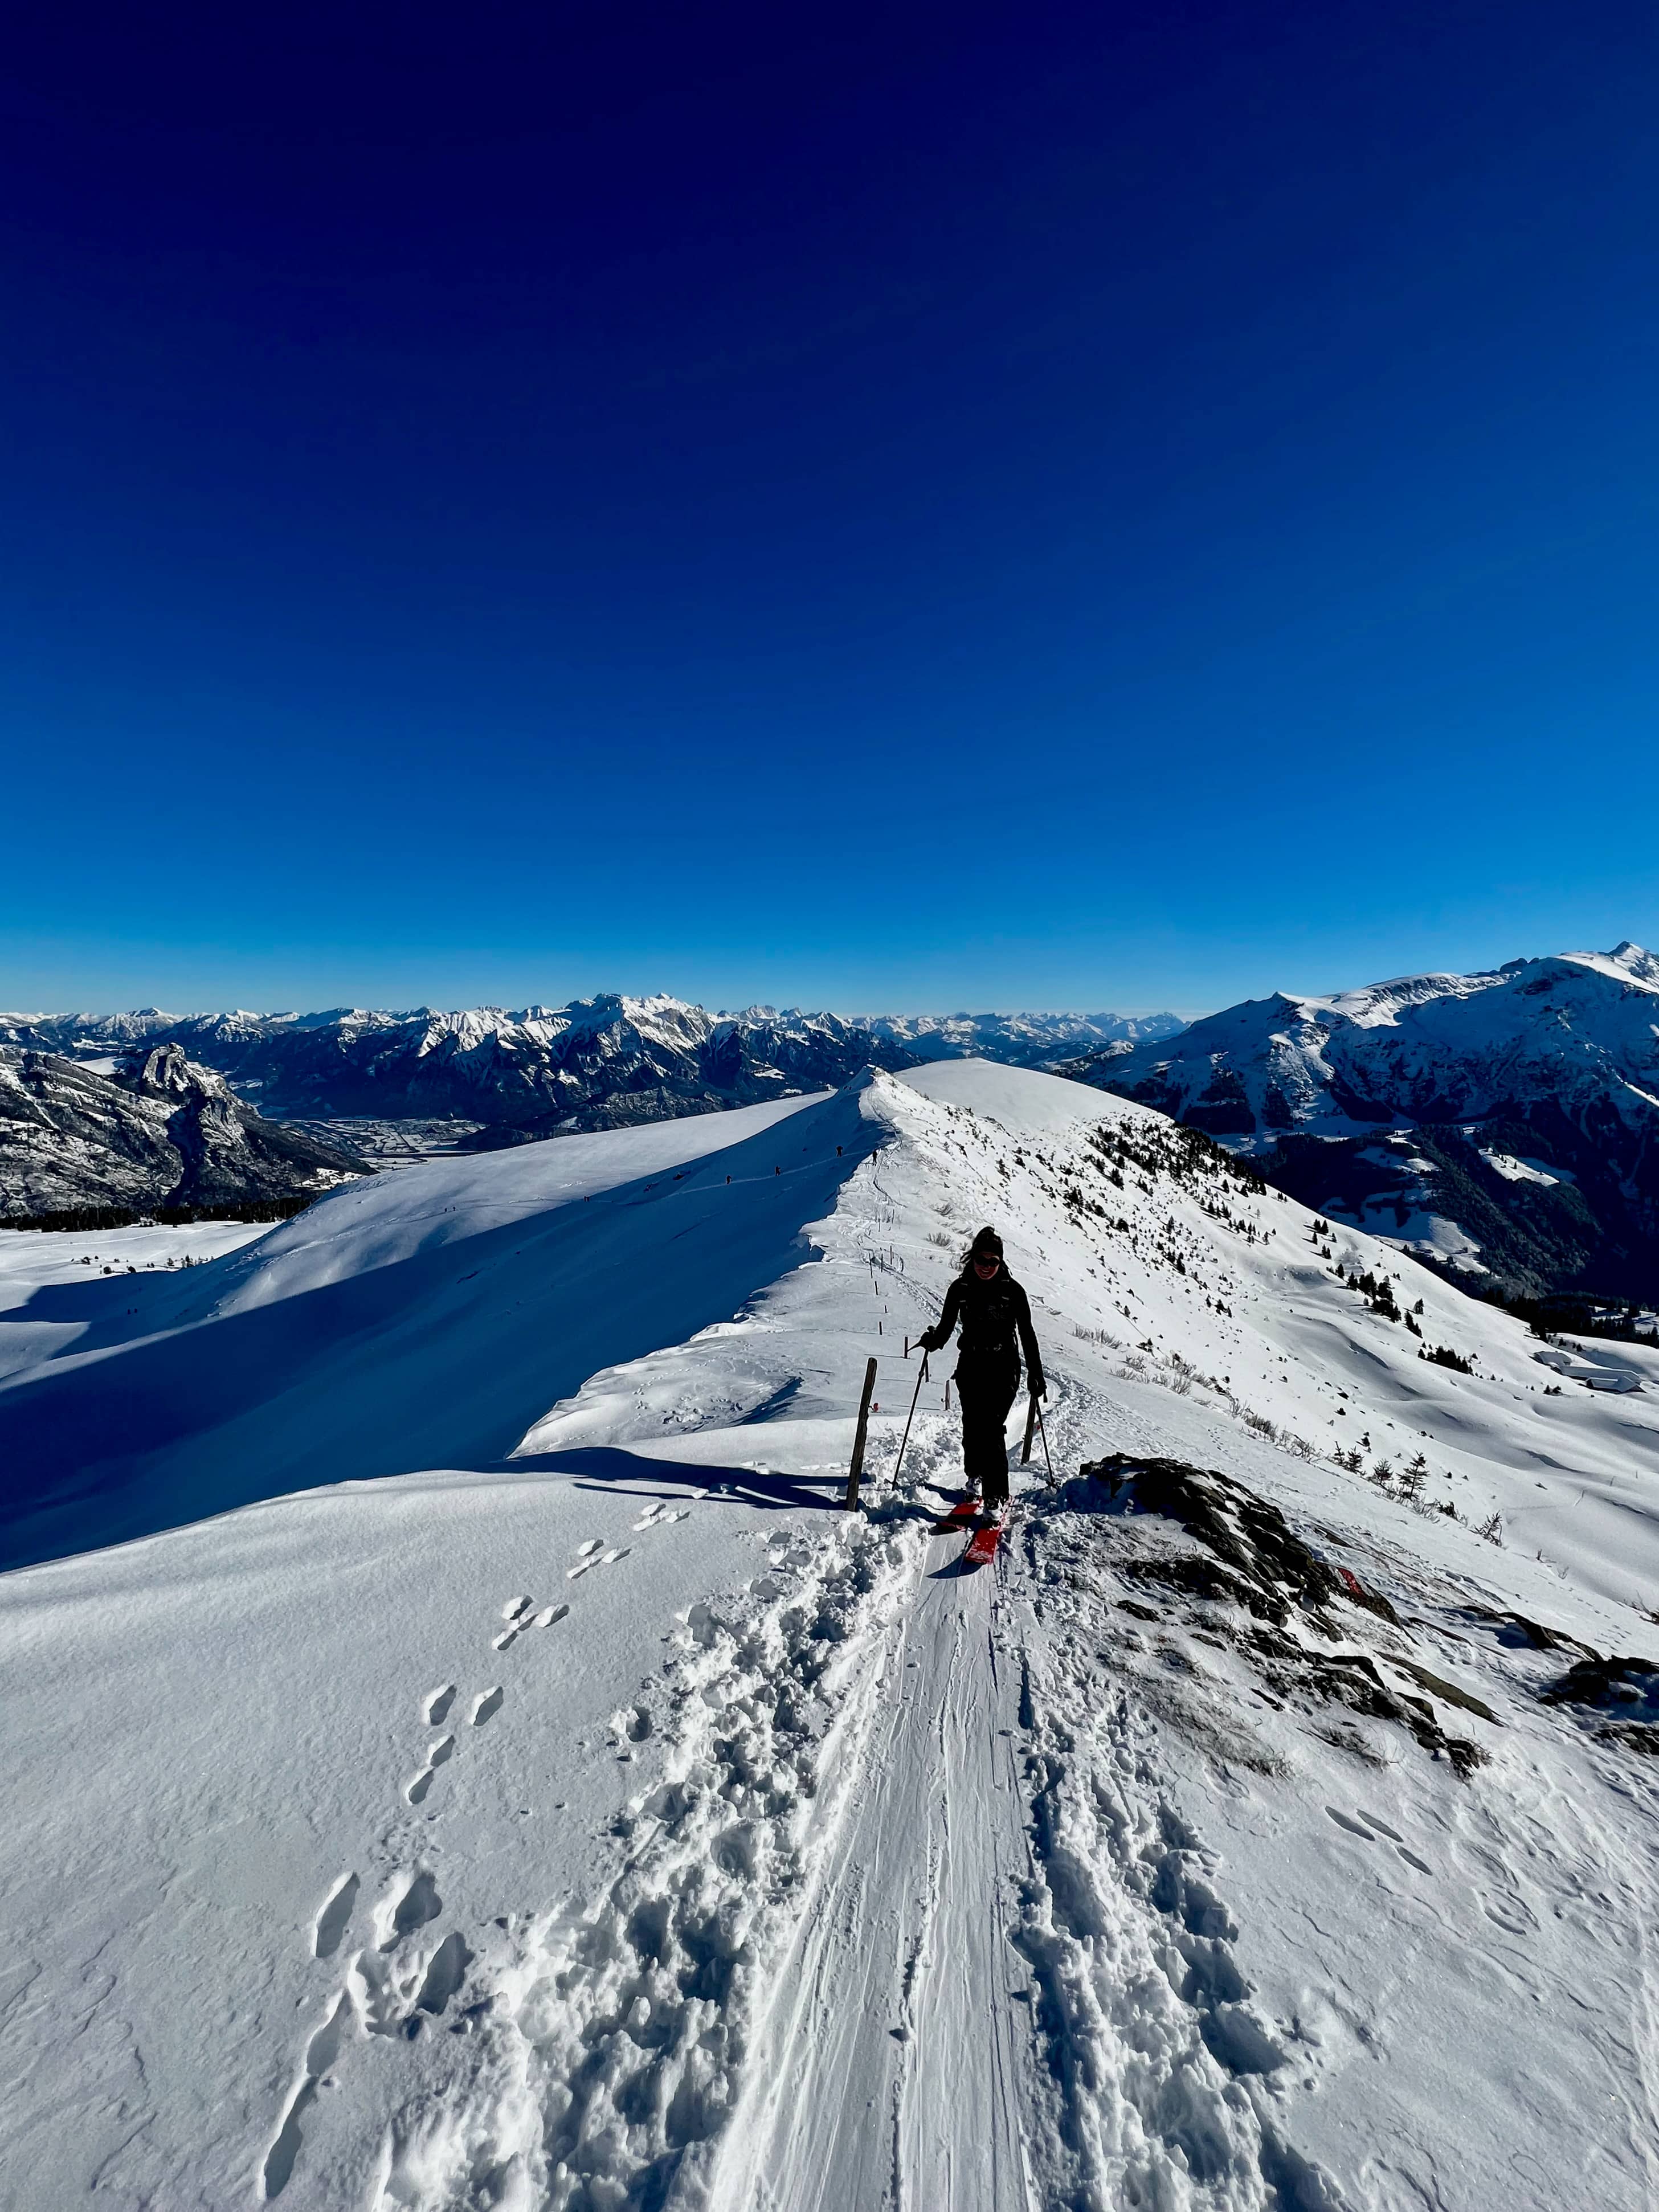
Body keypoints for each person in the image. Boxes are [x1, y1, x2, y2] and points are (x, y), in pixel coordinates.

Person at [916, 1226, 1044, 1519]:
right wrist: (931, 1341)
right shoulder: (959, 1290)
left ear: (1001, 1262)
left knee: (990, 1428)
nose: (986, 1267)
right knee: (973, 1427)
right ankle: (975, 1475)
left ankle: (996, 1497)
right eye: (981, 1260)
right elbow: (946, 1329)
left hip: (1004, 1367)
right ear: (971, 1259)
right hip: (971, 1366)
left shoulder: (1013, 1292)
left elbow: (1027, 1333)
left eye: (992, 1261)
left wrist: (1035, 1373)